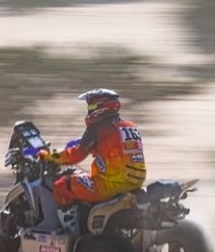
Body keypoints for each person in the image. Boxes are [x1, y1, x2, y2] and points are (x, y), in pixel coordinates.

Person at [33, 88, 146, 231]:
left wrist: (49, 156)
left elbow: (76, 155)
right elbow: (114, 148)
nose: (89, 110)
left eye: (91, 106)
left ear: (100, 107)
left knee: (61, 185)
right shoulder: (130, 126)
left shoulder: (97, 127)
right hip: (134, 182)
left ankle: (70, 233)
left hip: (110, 184)